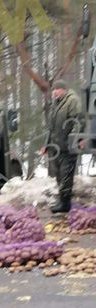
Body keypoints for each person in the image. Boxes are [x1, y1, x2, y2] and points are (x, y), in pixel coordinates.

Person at [45, 79, 86, 213]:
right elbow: (51, 128)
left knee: (66, 175)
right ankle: (62, 201)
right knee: (59, 176)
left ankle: (65, 203)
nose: (55, 92)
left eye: (57, 89)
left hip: (68, 146)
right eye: (53, 90)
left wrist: (74, 140)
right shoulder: (55, 104)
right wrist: (46, 144)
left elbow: (78, 121)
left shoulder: (72, 101)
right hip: (56, 147)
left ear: (64, 89)